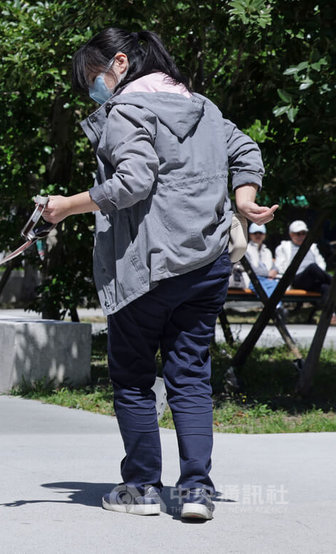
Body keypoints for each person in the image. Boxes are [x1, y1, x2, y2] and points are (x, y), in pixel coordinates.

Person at [43, 28, 276, 521]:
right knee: (190, 377)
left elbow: (133, 181)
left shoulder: (127, 111)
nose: (93, 89)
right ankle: (196, 492)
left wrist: (67, 207)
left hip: (145, 269)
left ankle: (142, 488)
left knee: (131, 380)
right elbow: (247, 149)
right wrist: (245, 200)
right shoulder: (206, 109)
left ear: (121, 63)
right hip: (207, 265)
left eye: (92, 77)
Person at [274, 220, 334, 324]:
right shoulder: (284, 247)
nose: (301, 236)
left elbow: (322, 264)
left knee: (327, 288)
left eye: (303, 233)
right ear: (291, 235)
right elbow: (280, 266)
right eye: (298, 234)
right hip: (297, 279)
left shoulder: (312, 247)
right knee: (312, 267)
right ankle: (334, 281)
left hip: (314, 280)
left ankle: (330, 316)